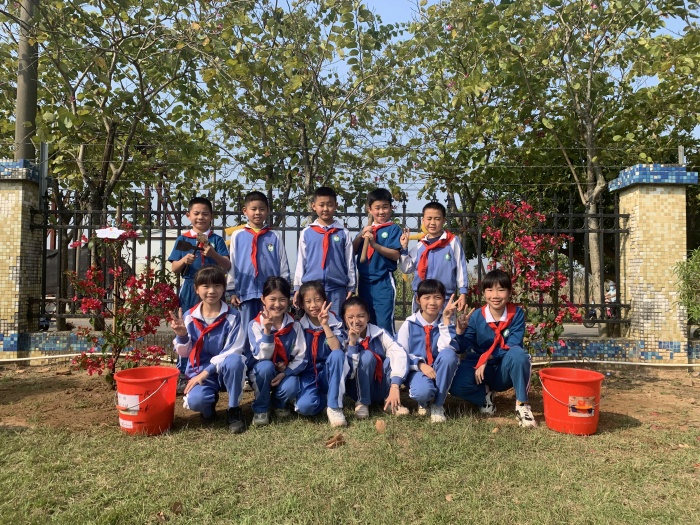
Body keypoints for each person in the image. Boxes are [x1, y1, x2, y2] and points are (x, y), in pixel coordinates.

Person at [449, 269, 537, 428]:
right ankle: (484, 396)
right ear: (484, 293)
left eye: (501, 290)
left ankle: (522, 405)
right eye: (490, 290)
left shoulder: (516, 314)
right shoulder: (477, 316)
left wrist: (487, 357)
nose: (495, 295)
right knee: (455, 385)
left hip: (502, 368)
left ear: (509, 293)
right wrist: (460, 331)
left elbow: (512, 344)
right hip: (479, 366)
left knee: (518, 354)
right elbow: (462, 347)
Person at [169, 266, 247, 433]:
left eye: (217, 286)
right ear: (196, 289)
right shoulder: (189, 317)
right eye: (206, 286)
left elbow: (233, 350)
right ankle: (208, 409)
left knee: (235, 362)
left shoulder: (233, 316)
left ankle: (234, 409)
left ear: (223, 288)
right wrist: (182, 336)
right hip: (200, 371)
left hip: (224, 371)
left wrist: (206, 372)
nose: (212, 291)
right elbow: (184, 353)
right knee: (196, 401)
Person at [169, 196, 231, 393]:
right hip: (190, 288)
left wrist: (213, 254)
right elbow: (174, 268)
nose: (200, 217)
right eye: (196, 213)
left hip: (213, 291)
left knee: (215, 327)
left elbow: (227, 265)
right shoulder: (183, 239)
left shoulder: (216, 240)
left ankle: (214, 368)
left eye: (205, 214)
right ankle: (183, 372)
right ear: (188, 215)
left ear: (211, 216)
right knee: (186, 327)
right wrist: (184, 261)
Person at [227, 191, 289, 353]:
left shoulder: (274, 236)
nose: (257, 213)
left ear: (267, 211)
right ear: (245, 211)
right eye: (253, 209)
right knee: (246, 329)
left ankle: (270, 360)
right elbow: (232, 263)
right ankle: (247, 362)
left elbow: (283, 264)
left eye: (261, 209)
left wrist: (284, 289)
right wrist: (231, 290)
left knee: (269, 326)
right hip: (245, 291)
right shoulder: (237, 236)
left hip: (270, 293)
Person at [397, 280, 462, 423]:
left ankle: (438, 404)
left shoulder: (445, 324)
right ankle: (424, 401)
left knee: (449, 355)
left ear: (444, 300)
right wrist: (420, 364)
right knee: (422, 392)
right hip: (417, 370)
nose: (432, 302)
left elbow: (448, 350)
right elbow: (400, 354)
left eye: (437, 298)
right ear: (418, 300)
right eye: (426, 298)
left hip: (438, 369)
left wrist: (446, 320)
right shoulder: (409, 324)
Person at [247, 277, 306, 426]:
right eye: (272, 299)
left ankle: (278, 403)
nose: (277, 304)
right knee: (265, 367)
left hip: (284, 372)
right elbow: (262, 356)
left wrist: (285, 373)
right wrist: (267, 332)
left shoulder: (295, 326)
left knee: (292, 385)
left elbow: (301, 357)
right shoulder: (255, 325)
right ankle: (261, 408)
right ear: (263, 299)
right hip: (261, 372)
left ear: (288, 300)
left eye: (282, 299)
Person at [342, 296, 410, 419]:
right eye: (350, 317)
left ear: (368, 317)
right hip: (357, 388)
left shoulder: (379, 333)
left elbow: (399, 353)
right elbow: (348, 373)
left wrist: (395, 384)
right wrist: (352, 344)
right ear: (344, 318)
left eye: (361, 316)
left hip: (380, 386)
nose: (356, 321)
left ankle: (389, 400)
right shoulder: (343, 338)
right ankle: (362, 402)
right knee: (366, 356)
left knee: (392, 357)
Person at [293, 187, 356, 316]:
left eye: (330, 205)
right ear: (314, 206)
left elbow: (349, 261)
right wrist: (298, 287)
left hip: (337, 288)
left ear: (336, 206)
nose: (325, 209)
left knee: (335, 322)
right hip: (312, 288)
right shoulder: (307, 233)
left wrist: (351, 286)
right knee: (314, 323)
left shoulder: (343, 233)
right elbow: (301, 261)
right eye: (321, 205)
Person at [294, 281, 350, 427]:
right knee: (305, 408)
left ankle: (334, 406)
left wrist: (325, 324)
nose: (313, 305)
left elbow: (336, 348)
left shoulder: (335, 321)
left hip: (329, 372)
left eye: (318, 299)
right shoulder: (299, 326)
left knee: (337, 355)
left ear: (325, 300)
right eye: (308, 301)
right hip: (309, 374)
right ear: (301, 305)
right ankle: (324, 398)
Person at [399, 201, 469, 312]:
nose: (432, 222)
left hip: (444, 299)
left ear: (444, 220)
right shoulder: (420, 246)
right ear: (423, 220)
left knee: (445, 323)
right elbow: (406, 268)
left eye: (437, 219)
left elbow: (461, 267)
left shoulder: (452, 242)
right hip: (422, 299)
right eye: (429, 218)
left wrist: (463, 292)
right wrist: (404, 249)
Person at [353, 188, 403, 336]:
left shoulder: (393, 229)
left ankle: (388, 349)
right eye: (377, 208)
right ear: (370, 209)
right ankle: (370, 349)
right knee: (366, 322)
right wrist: (360, 236)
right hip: (364, 282)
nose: (381, 212)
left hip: (383, 282)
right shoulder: (366, 229)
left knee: (383, 323)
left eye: (385, 207)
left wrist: (374, 245)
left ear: (391, 208)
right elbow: (352, 251)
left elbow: (395, 255)